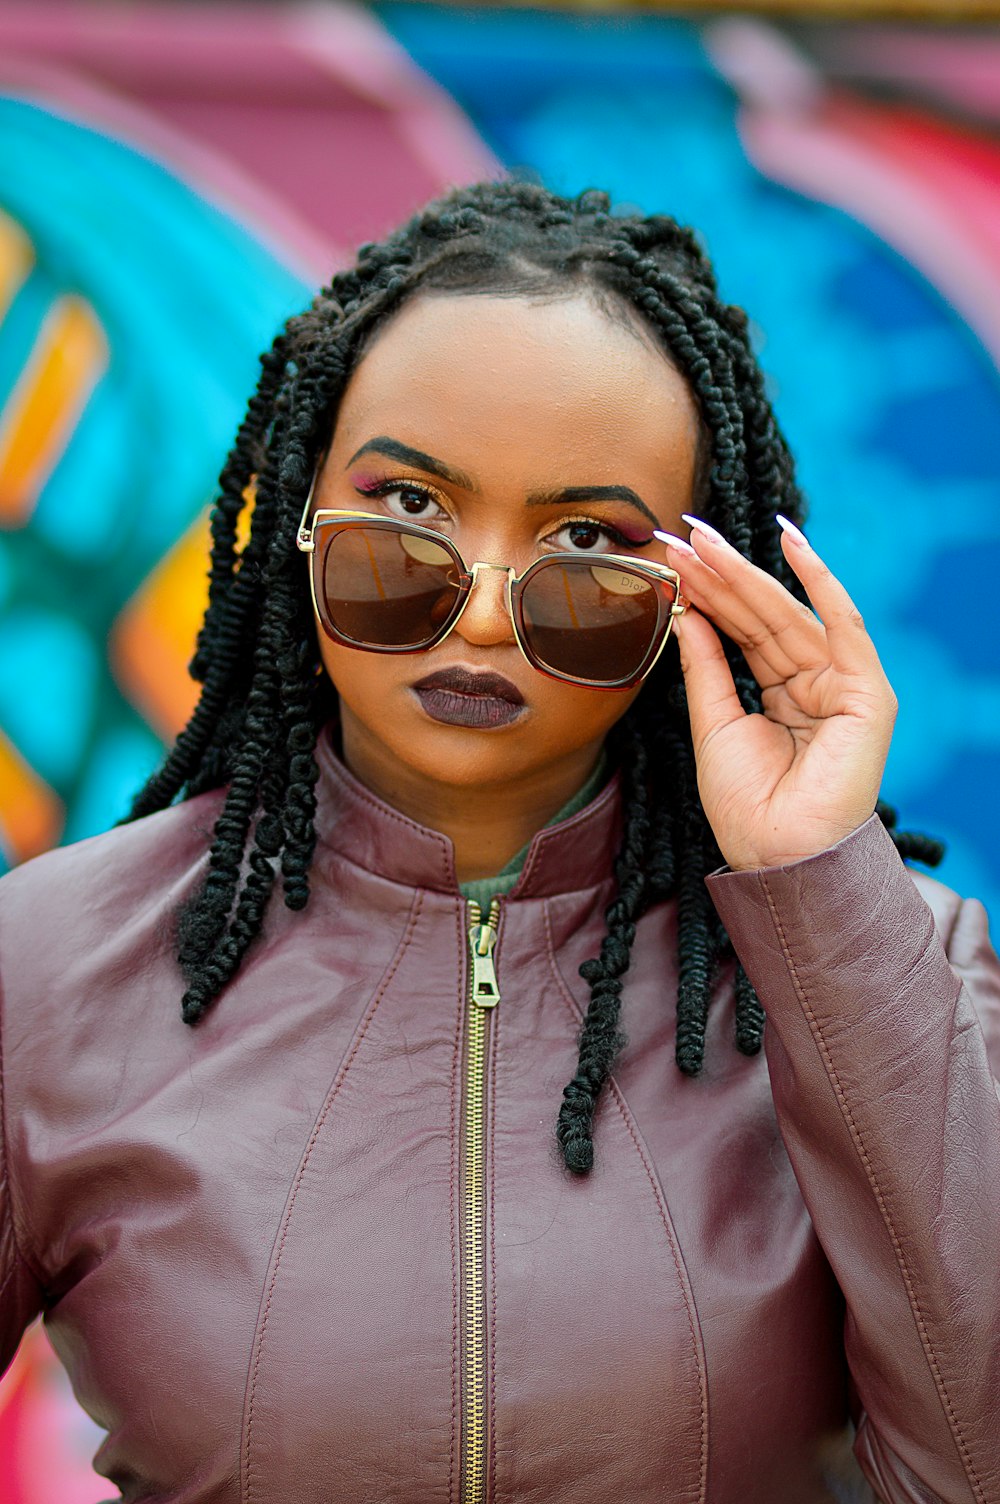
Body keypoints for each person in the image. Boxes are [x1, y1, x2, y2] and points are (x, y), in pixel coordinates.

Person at [0, 180, 996, 1504]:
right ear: (299, 519)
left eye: (586, 541)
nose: (479, 611)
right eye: (407, 512)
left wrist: (820, 901)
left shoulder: (883, 970)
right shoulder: (50, 966)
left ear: (700, 588)